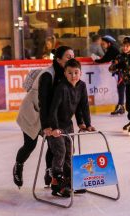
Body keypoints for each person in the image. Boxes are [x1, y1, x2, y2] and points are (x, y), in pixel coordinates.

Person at [13, 46, 86, 188]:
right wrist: (47, 126)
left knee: (55, 143)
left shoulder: (67, 74)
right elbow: (44, 102)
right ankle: (18, 165)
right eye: (68, 57)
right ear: (58, 60)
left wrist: (81, 121)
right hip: (34, 112)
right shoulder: (48, 75)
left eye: (73, 56)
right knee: (30, 145)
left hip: (51, 114)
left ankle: (50, 171)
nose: (72, 59)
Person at [48, 59, 95, 197]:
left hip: (68, 124)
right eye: (70, 73)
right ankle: (57, 182)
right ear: (65, 73)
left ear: (80, 73)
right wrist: (55, 128)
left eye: (76, 72)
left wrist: (86, 123)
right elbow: (53, 110)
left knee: (69, 151)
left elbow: (83, 106)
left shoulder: (82, 86)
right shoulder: (61, 88)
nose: (73, 75)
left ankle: (70, 181)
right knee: (60, 151)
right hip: (55, 124)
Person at [94, 35, 125, 115]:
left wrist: (95, 60)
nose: (102, 45)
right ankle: (121, 106)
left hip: (121, 71)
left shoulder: (112, 49)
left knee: (121, 87)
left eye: (103, 44)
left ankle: (121, 106)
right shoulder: (111, 49)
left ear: (109, 43)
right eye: (101, 44)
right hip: (120, 70)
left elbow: (105, 59)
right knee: (120, 87)